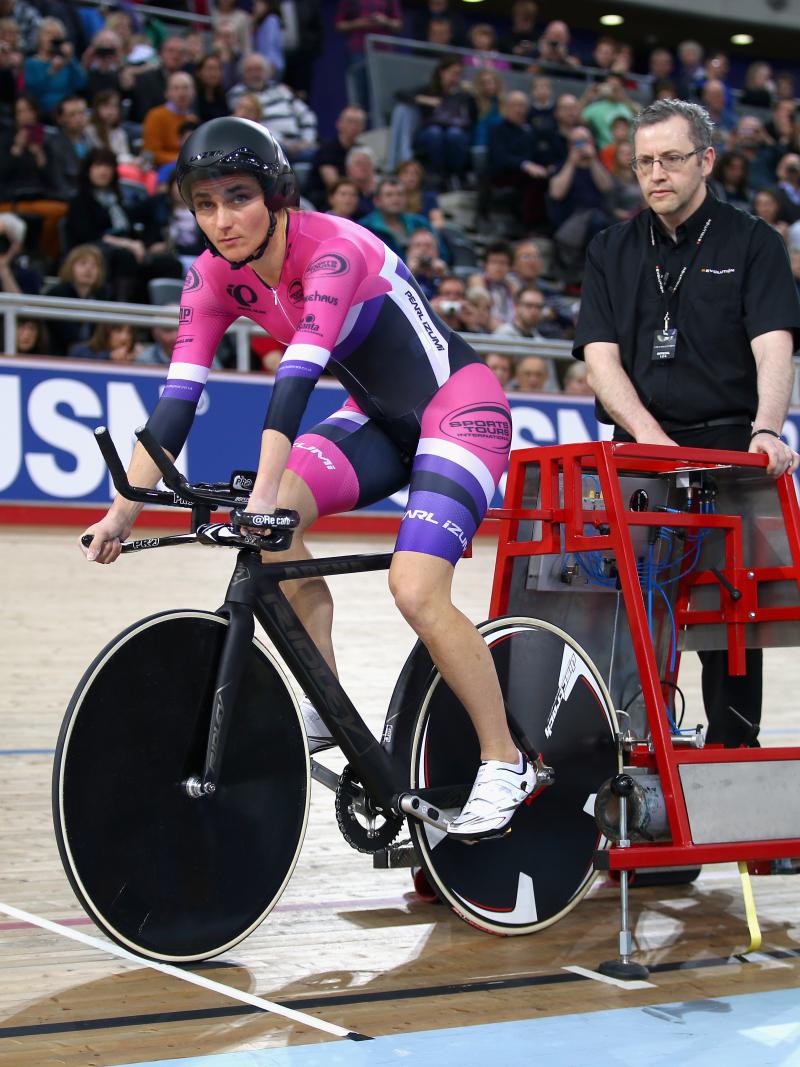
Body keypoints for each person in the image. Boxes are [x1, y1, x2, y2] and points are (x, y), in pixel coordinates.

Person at [79, 116, 536, 840]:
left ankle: (505, 759)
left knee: (414, 588)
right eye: (206, 204)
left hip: (460, 408)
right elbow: (177, 399)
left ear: (277, 194)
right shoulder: (208, 275)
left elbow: (295, 380)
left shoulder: (330, 251)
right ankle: (327, 691)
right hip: (376, 416)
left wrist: (261, 499)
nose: (222, 221)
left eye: (238, 198)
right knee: (280, 514)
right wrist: (123, 510)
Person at [573, 98, 800, 748]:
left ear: (705, 159)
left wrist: (766, 428)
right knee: (632, 616)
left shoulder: (753, 242)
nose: (655, 173)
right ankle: (637, 755)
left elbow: (773, 342)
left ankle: (734, 753)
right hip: (642, 454)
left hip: (730, 451)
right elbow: (599, 356)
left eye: (670, 158)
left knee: (735, 625)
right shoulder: (609, 248)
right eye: (643, 161)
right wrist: (650, 439)